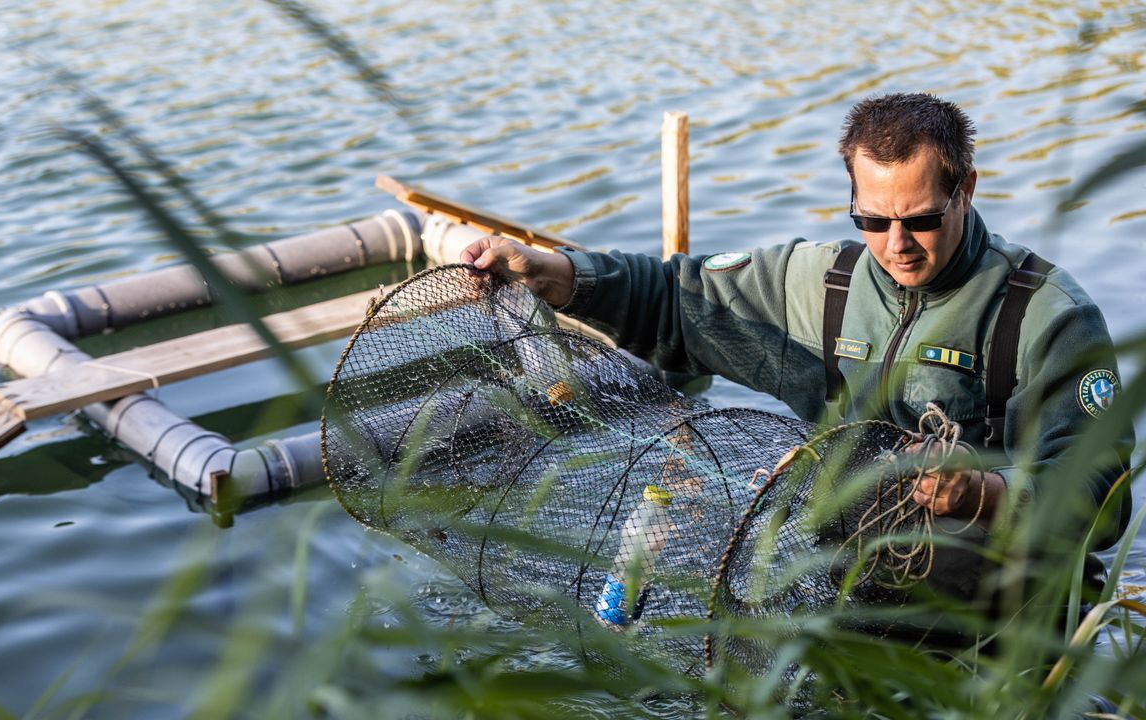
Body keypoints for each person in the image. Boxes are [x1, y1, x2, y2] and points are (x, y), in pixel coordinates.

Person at [461, 92, 1134, 605]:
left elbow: (1101, 504)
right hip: (859, 589)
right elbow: (675, 298)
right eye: (872, 219)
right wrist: (559, 276)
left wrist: (983, 493)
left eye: (921, 219)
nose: (896, 243)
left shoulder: (1047, 316)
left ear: (968, 190)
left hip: (1005, 614)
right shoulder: (822, 282)